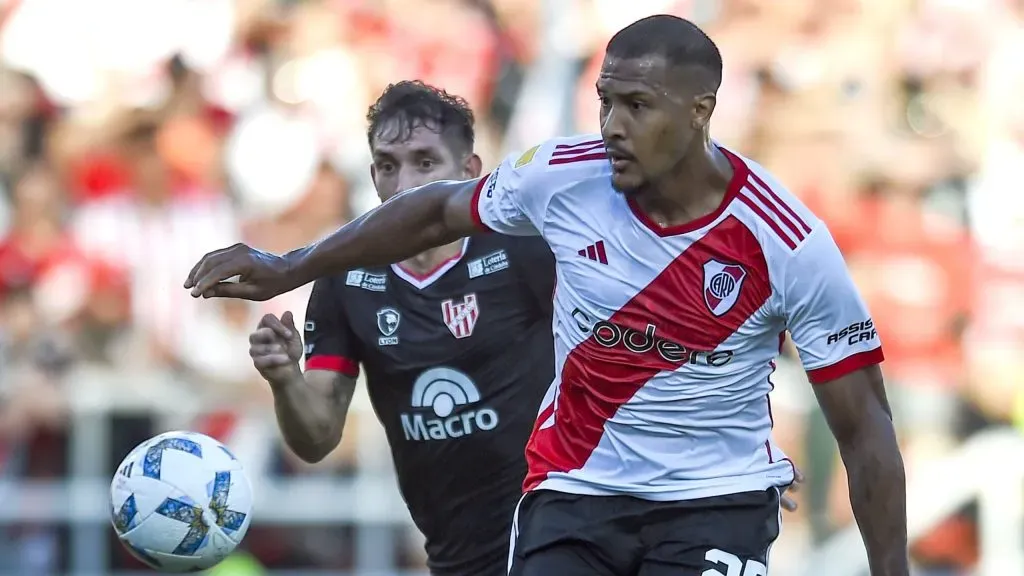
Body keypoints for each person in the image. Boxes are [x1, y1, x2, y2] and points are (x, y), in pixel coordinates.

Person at [187, 15, 906, 576]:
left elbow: (865, 424)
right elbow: (437, 211)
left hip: (712, 502)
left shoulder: (785, 240)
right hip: (576, 490)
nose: (613, 125)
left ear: (699, 111)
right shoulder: (561, 178)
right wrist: (292, 266)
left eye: (638, 105)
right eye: (605, 101)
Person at [244, 81, 557, 576]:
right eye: (388, 166)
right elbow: (316, 439)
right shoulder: (345, 279)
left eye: (425, 163)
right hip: (454, 553)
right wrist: (285, 380)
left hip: (552, 533)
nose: (404, 184)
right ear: (372, 175)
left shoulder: (525, 251)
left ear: (470, 172)